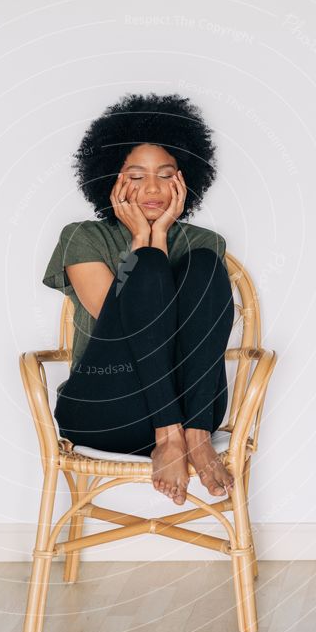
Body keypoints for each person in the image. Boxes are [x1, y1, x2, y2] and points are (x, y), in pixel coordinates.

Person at [42, 92, 235, 506]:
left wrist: (162, 235)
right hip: (109, 408)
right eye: (136, 175)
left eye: (166, 175)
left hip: (192, 408)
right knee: (146, 267)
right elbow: (120, 320)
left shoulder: (204, 242)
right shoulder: (83, 236)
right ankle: (169, 437)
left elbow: (200, 334)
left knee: (203, 263)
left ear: (185, 180)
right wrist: (146, 244)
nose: (152, 189)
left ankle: (195, 438)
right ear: (113, 178)